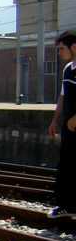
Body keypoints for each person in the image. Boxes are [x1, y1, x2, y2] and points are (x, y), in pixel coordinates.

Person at [49, 32, 76, 219]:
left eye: (61, 49)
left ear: (74, 47)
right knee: (67, 165)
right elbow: (63, 96)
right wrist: (55, 120)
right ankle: (66, 205)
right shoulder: (68, 69)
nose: (59, 53)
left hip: (74, 123)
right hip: (69, 126)